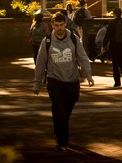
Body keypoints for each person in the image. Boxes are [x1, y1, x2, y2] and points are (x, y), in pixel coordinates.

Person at [32, 10, 94, 151]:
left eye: (61, 25)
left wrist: (88, 74)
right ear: (52, 25)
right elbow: (40, 63)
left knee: (65, 110)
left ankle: (59, 126)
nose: (59, 28)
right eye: (56, 25)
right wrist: (37, 82)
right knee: (59, 109)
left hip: (72, 80)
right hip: (54, 80)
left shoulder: (73, 38)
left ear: (65, 24)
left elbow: (82, 57)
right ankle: (62, 141)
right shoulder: (47, 41)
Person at [106, 7, 122, 87]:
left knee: (115, 64)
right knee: (121, 62)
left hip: (114, 44)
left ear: (114, 13)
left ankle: (117, 82)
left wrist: (104, 44)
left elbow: (107, 34)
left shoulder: (112, 22)